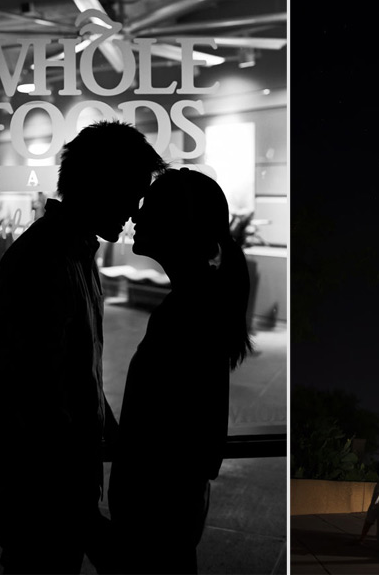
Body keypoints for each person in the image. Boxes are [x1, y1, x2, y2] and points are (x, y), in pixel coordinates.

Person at [0, 121, 166, 574]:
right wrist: (84, 520)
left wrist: (110, 430)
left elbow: (74, 371)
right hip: (38, 497)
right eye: (132, 192)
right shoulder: (42, 263)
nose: (136, 210)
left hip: (60, 493)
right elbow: (36, 402)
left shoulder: (77, 256)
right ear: (102, 185)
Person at [108, 168, 253, 574]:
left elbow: (177, 436)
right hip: (171, 512)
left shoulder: (187, 313)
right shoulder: (200, 300)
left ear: (178, 225)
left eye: (149, 208)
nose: (136, 216)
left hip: (157, 515)